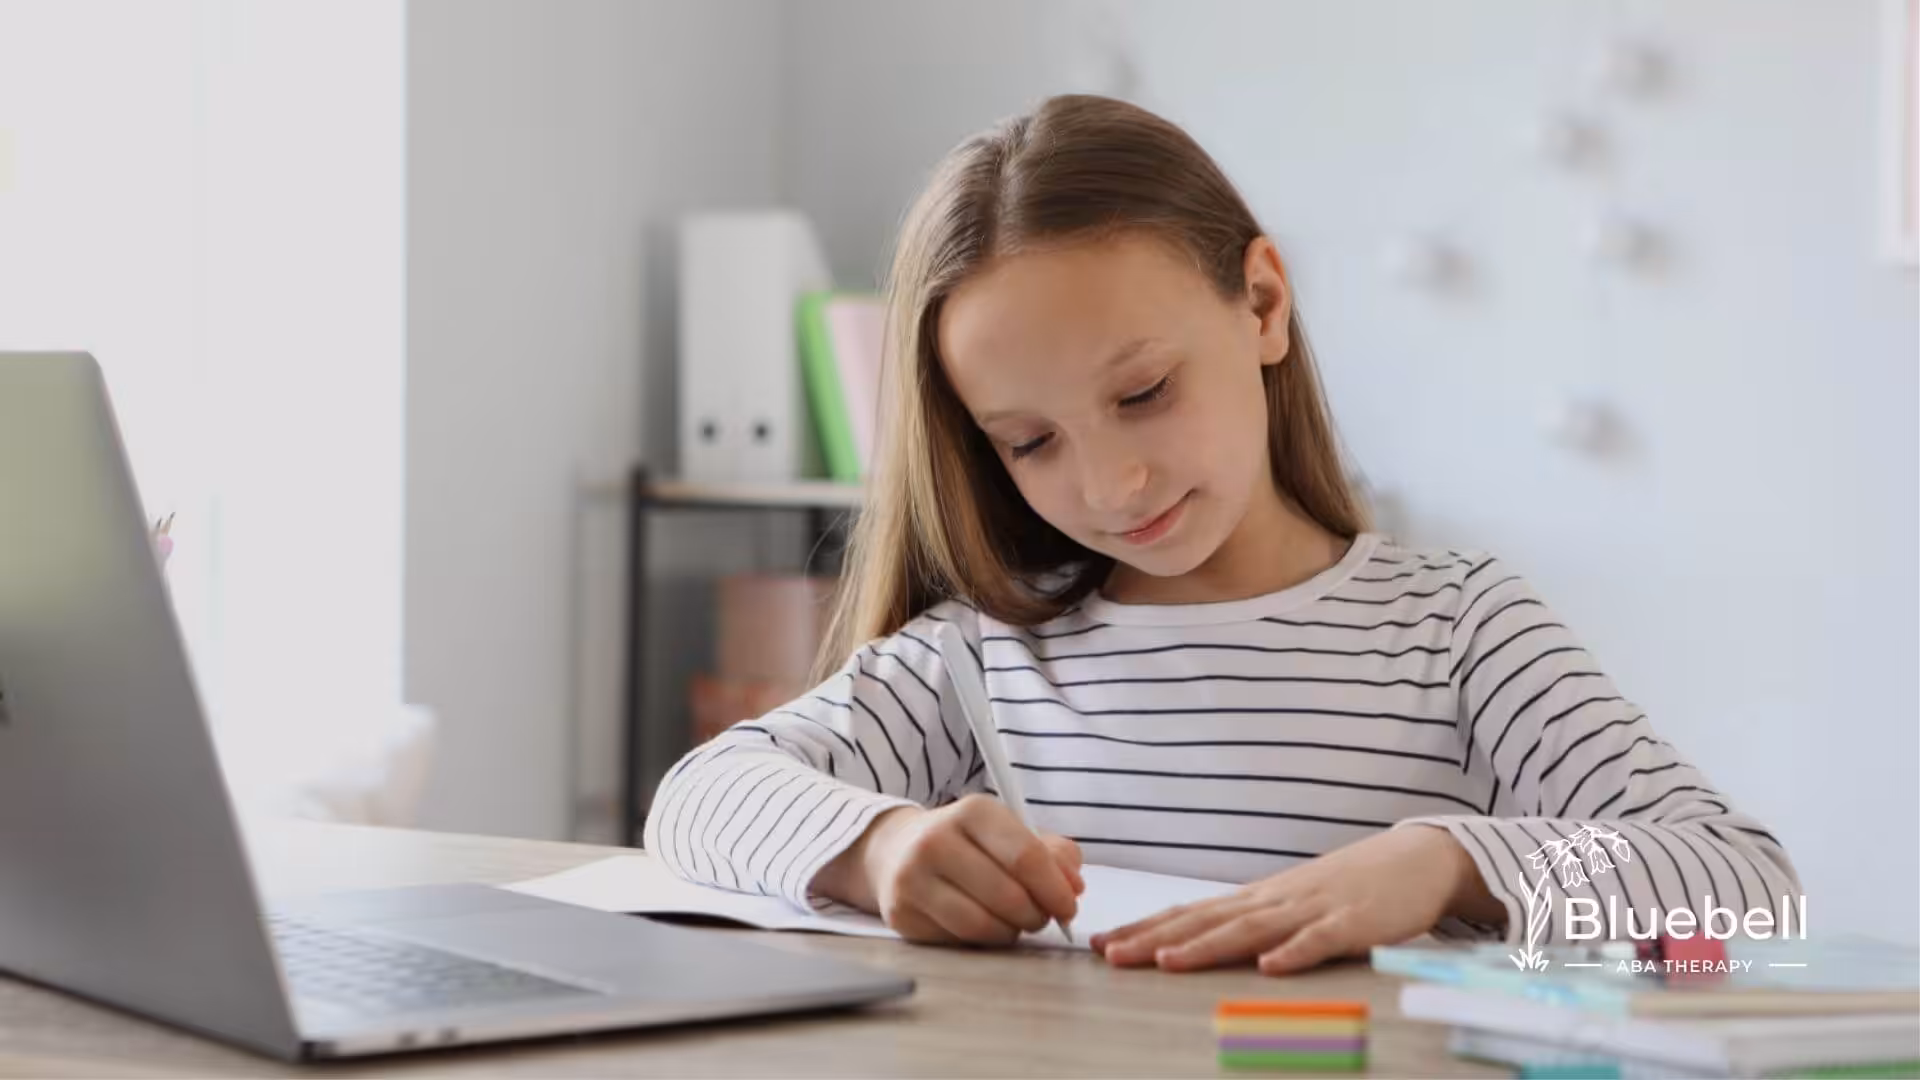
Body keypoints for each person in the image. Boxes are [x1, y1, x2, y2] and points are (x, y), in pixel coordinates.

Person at [643, 94, 1800, 976]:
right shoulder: (980, 658)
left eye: (1143, 392)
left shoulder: (1457, 626)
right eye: (1030, 442)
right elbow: (697, 800)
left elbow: (1751, 889)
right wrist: (882, 847)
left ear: (1262, 305)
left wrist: (1451, 861)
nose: (1112, 481)